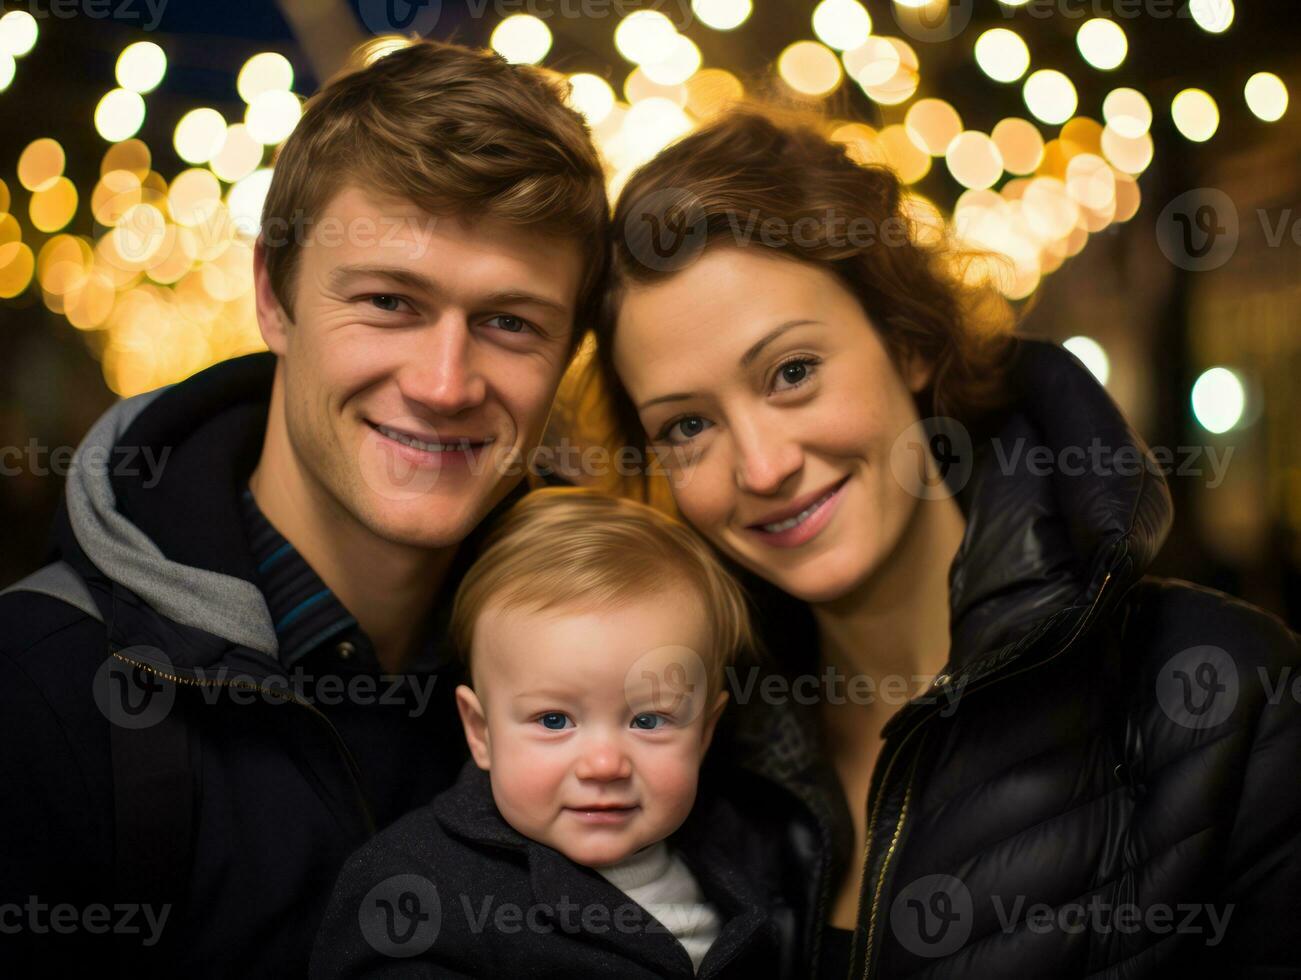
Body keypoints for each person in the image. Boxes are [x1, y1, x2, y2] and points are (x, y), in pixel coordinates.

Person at [589, 108, 1301, 978]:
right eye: (688, 424)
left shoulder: (1232, 699)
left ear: (911, 341)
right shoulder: (667, 749)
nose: (764, 467)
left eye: (792, 372)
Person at [0, 37, 607, 977]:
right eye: (389, 302)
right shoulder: (42, 692)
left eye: (509, 323)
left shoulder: (615, 667)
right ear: (273, 298)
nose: (445, 384)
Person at [310, 487, 789, 978]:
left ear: (704, 733)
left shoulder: (743, 852)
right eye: (554, 721)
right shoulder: (420, 884)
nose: (604, 765)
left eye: (648, 721)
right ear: (481, 733)